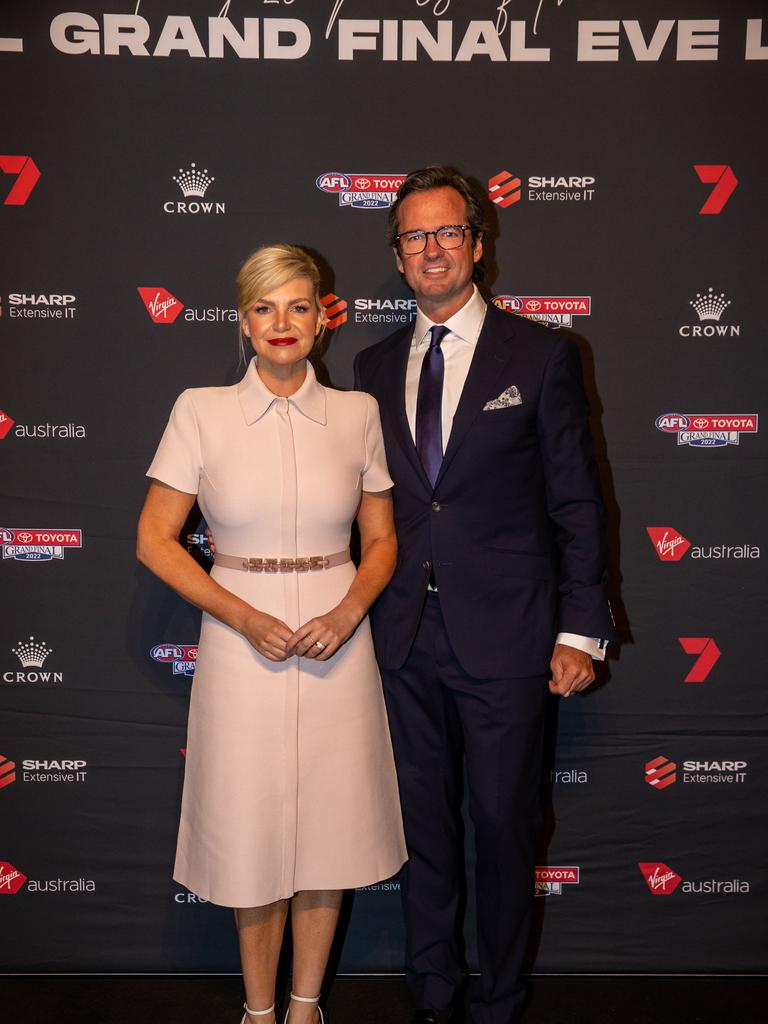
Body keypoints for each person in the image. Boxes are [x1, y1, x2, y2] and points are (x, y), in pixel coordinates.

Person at [353, 166, 616, 1024]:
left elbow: (578, 502)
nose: (432, 250)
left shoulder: (542, 355)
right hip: (401, 639)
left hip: (508, 639)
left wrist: (583, 628)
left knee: (503, 832)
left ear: (477, 244)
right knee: (422, 833)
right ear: (398, 256)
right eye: (414, 237)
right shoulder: (372, 362)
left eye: (447, 233)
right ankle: (433, 994)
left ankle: (499, 1001)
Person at [137, 244, 406, 1024]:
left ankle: (305, 1005)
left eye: (298, 306)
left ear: (323, 318)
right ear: (242, 322)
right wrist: (245, 615)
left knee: (332, 825)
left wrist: (348, 612)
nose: (281, 323)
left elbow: (382, 539)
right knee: (252, 829)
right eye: (264, 308)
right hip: (238, 638)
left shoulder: (357, 414)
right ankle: (258, 1012)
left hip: (338, 640)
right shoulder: (200, 409)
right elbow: (156, 540)